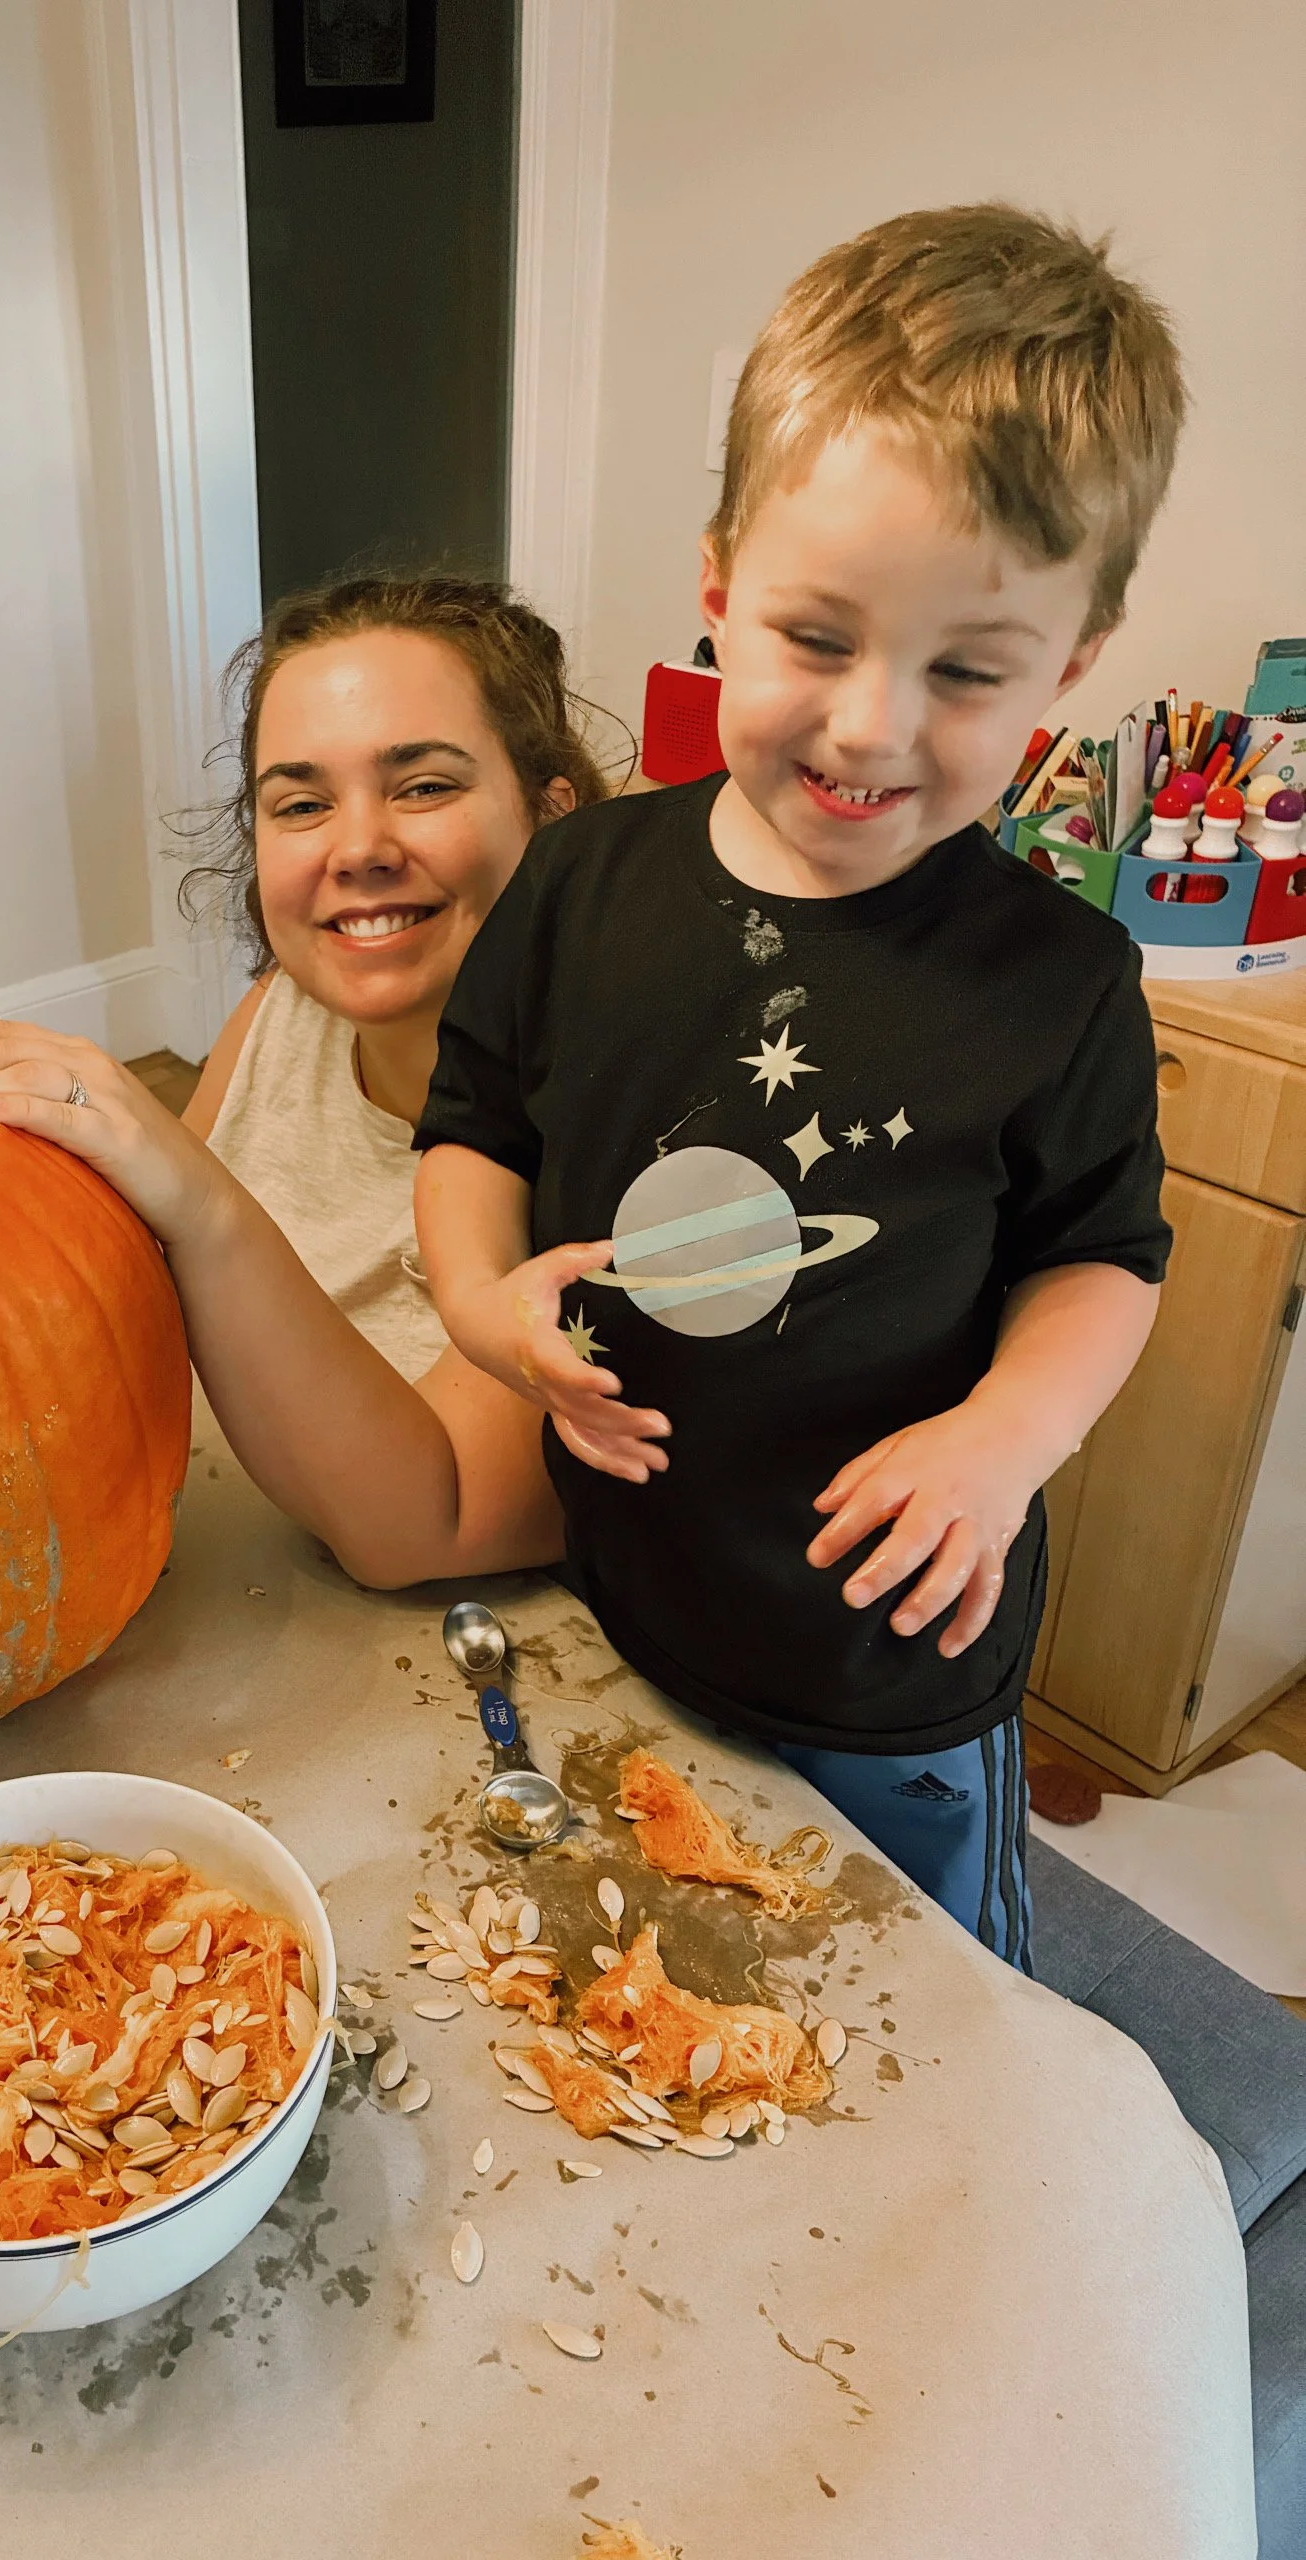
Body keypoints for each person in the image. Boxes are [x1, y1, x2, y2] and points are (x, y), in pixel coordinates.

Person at [411, 205, 1187, 1968]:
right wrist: (476, 1303)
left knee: (932, 2020)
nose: (867, 727)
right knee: (676, 1961)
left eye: (966, 674)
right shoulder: (582, 883)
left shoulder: (1060, 986)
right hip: (617, 1592)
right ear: (717, 581)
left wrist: (1012, 1439)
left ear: (1065, 676)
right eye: (816, 638)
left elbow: (1103, 1257)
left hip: (890, 1669)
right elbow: (475, 1130)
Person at [0, 576, 604, 1575]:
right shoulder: (287, 1010)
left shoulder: (624, 1117)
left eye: (423, 785)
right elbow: (137, 1293)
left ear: (552, 819)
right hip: (227, 1545)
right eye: (301, 803)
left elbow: (434, 1523)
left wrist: (196, 1198)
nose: (359, 847)